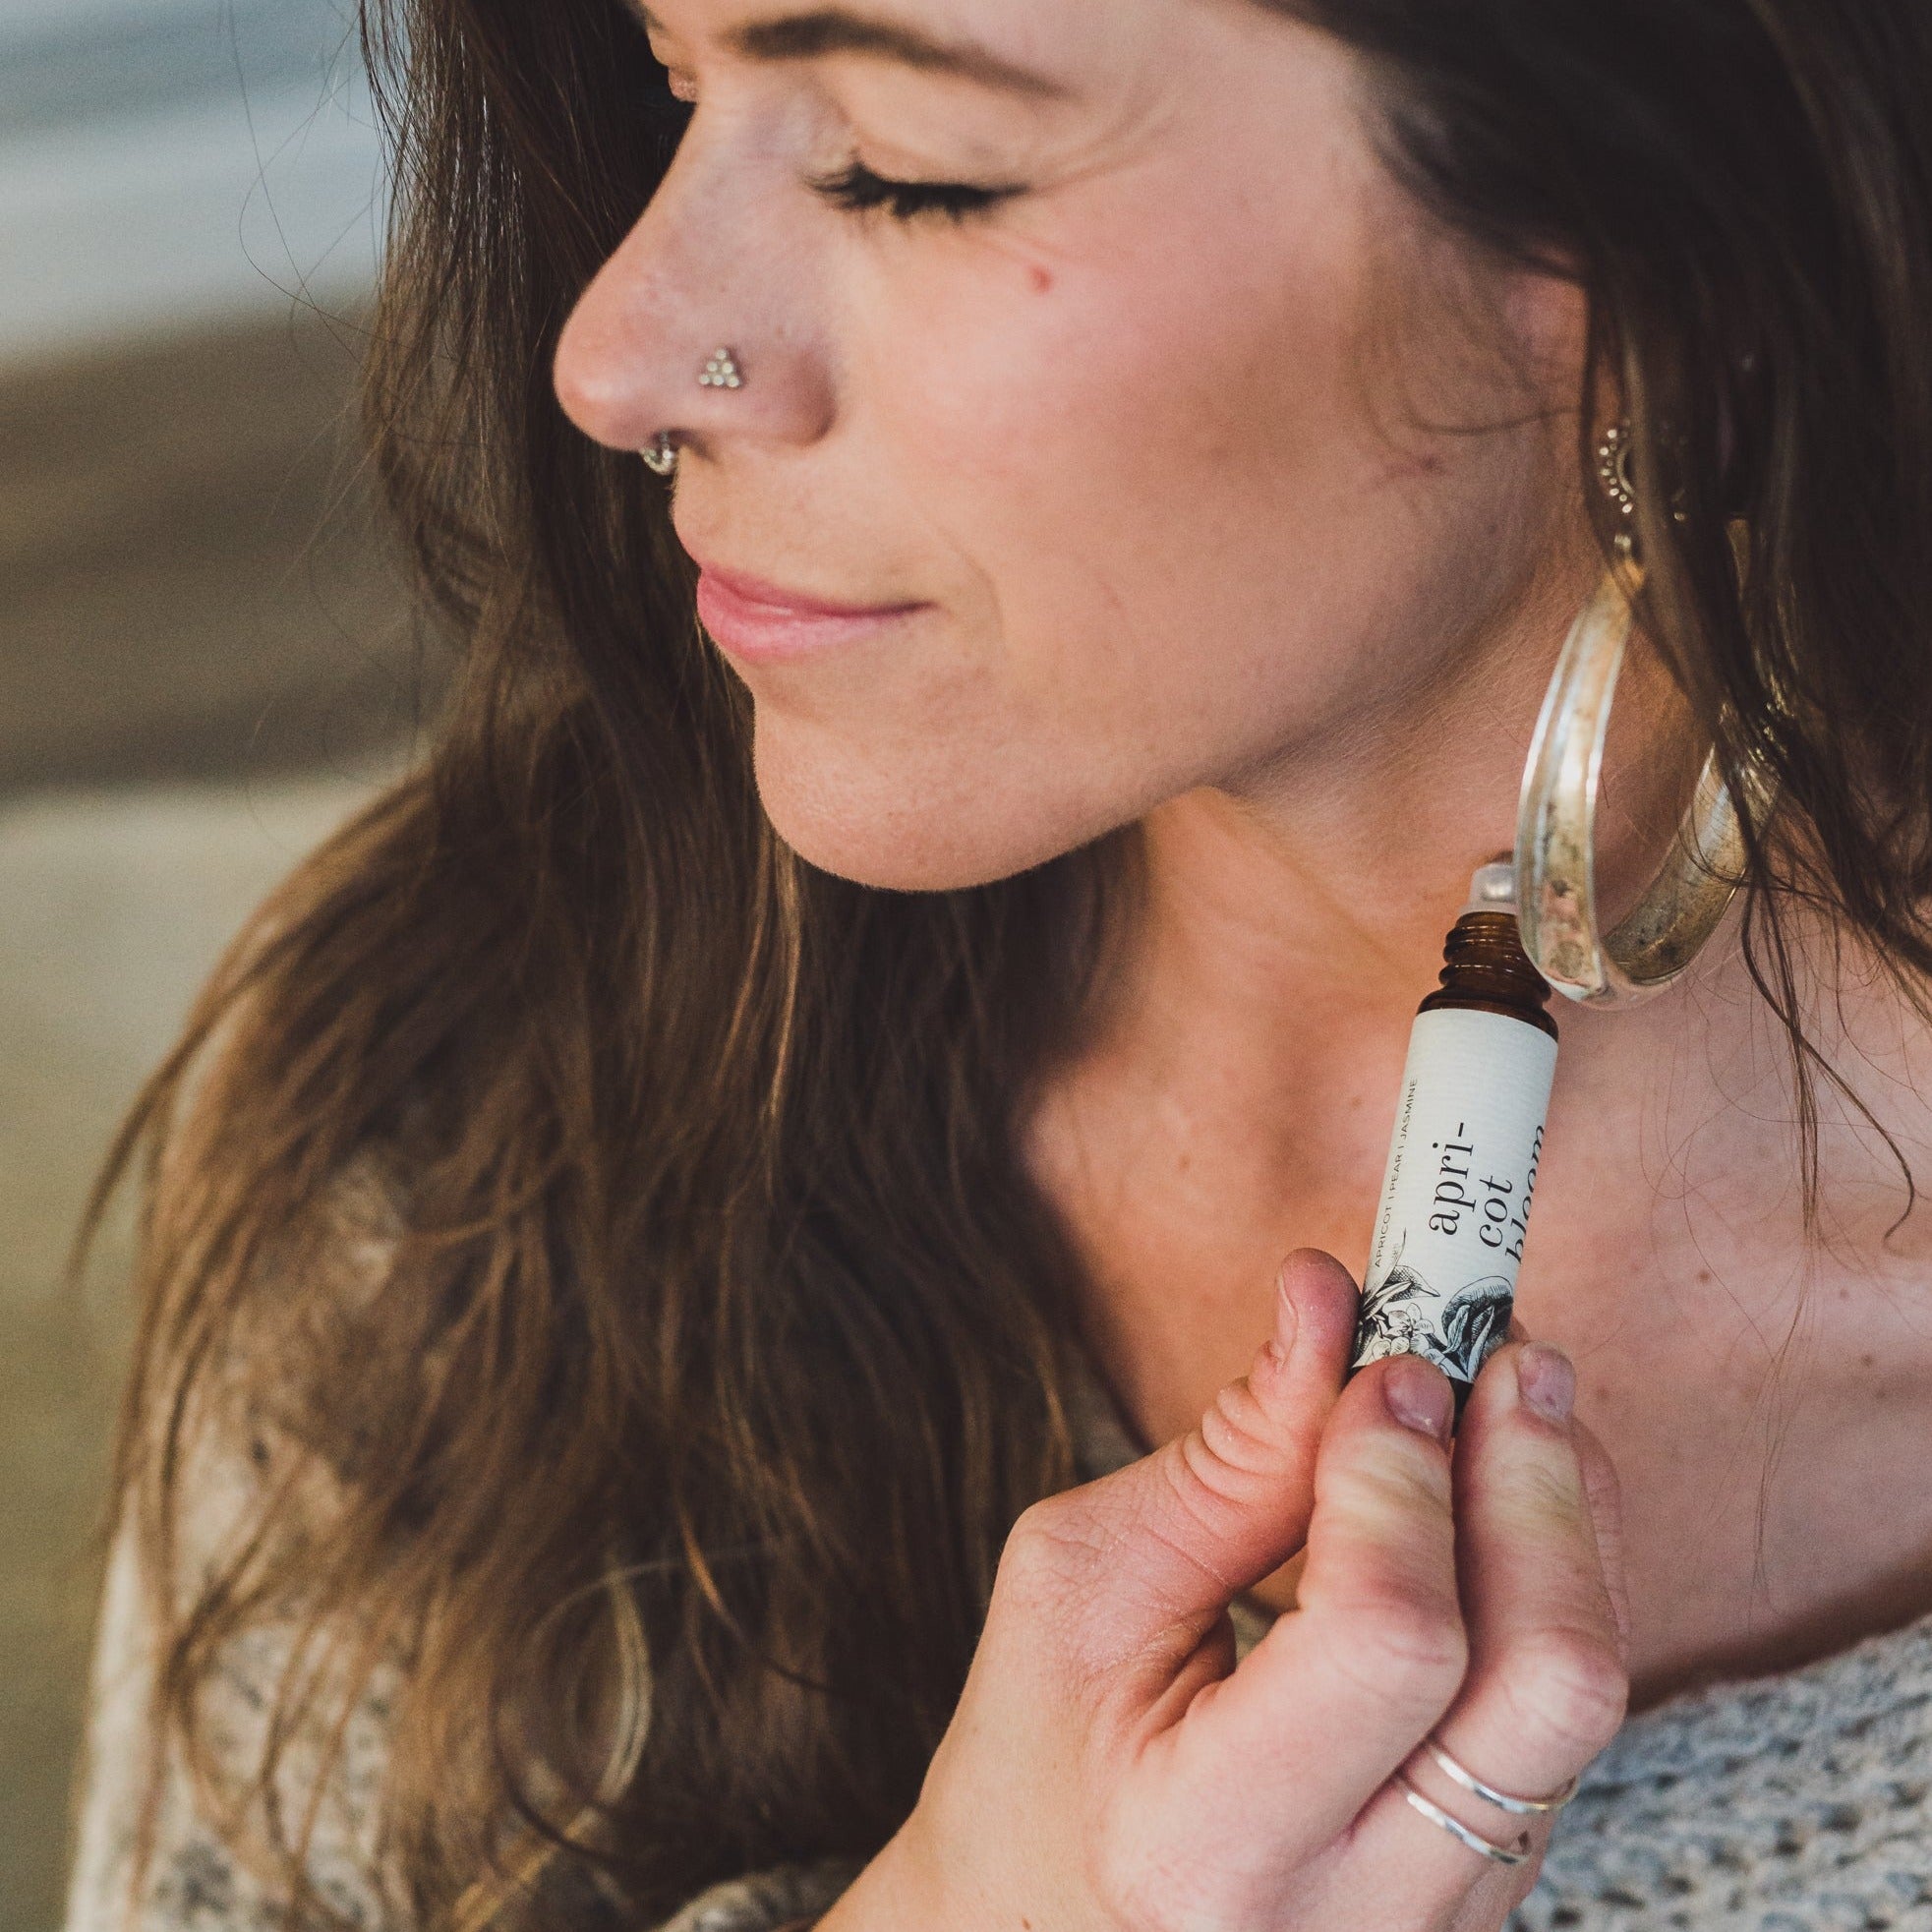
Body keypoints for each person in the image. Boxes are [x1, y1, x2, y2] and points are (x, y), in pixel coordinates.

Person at [62, 0, 1932, 1927]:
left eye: (903, 166)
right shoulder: (462, 1089)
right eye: (666, 86)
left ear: (1671, 243)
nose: (615, 357)